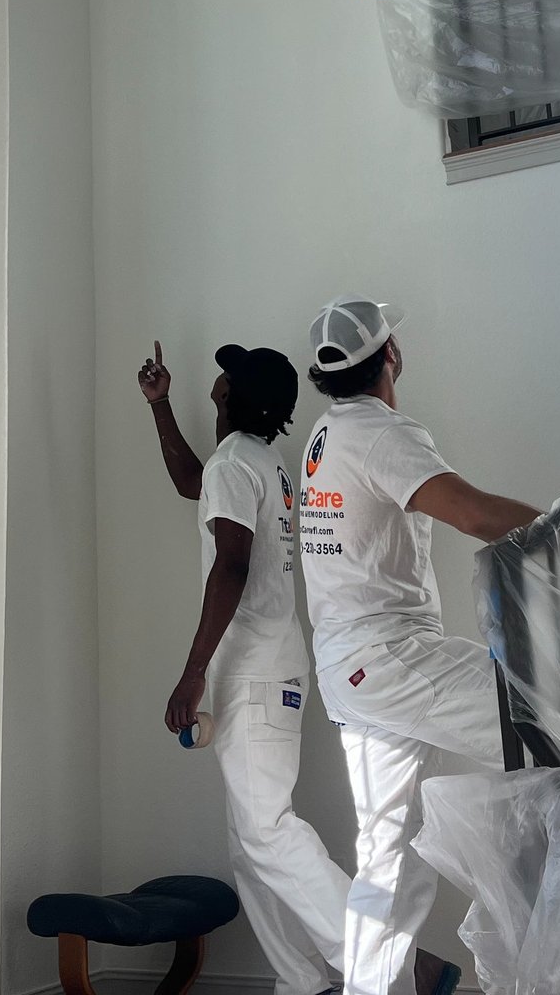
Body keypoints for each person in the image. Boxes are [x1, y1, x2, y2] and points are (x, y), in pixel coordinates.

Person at [297, 298, 546, 995]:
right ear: (391, 355)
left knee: (387, 864)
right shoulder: (382, 434)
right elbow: (472, 512)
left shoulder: (326, 433)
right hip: (390, 657)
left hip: (351, 668)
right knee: (549, 721)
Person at [138, 340, 351, 995]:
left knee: (267, 832)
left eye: (225, 374)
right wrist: (160, 405)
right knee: (251, 845)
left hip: (254, 671)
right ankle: (303, 983)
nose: (217, 379)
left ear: (230, 394)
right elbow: (191, 483)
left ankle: (392, 961)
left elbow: (231, 564)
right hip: (268, 666)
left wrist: (193, 671)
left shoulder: (238, 461)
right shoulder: (259, 460)